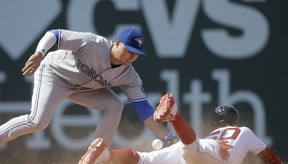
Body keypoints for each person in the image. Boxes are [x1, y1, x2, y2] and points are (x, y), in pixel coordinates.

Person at [0, 28, 176, 151]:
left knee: (114, 105)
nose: (132, 56)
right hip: (55, 75)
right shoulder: (91, 43)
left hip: (83, 88)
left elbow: (144, 109)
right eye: (129, 50)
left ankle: (97, 156)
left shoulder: (130, 76)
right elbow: (54, 34)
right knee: (38, 121)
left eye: (137, 53)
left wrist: (166, 136)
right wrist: (40, 53)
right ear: (116, 43)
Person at [76, 92, 287, 164]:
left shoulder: (214, 134)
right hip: (212, 155)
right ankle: (174, 115)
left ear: (215, 123)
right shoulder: (244, 131)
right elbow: (269, 158)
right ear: (235, 121)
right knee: (191, 147)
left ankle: (106, 155)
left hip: (193, 154)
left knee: (143, 160)